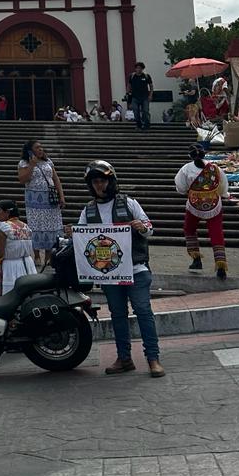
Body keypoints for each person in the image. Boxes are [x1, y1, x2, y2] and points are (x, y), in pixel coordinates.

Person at [77, 160, 164, 377]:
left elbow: (149, 228)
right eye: (95, 182)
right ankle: (124, 358)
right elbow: (80, 239)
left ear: (111, 181)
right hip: (110, 273)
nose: (99, 185)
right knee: (117, 314)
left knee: (143, 311)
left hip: (136, 269)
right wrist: (72, 235)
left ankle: (153, 358)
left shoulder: (129, 203)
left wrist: (141, 226)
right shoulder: (87, 211)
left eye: (102, 180)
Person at [175, 145, 229, 280]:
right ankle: (221, 265)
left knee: (189, 229)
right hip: (213, 205)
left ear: (190, 156)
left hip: (195, 205)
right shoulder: (215, 168)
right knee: (216, 233)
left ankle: (196, 259)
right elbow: (223, 188)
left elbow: (181, 188)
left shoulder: (186, 169)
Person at [18, 139, 66, 264]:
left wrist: (61, 196)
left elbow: (55, 179)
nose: (40, 149)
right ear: (30, 150)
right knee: (36, 226)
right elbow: (23, 179)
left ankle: (49, 256)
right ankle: (37, 256)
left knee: (51, 227)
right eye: (37, 147)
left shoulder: (48, 161)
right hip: (34, 200)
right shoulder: (24, 163)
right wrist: (32, 165)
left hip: (50, 199)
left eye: (41, 147)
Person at [0, 199, 36, 296]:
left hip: (10, 266)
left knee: (9, 295)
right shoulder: (26, 227)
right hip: (28, 264)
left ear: (7, 212)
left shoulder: (4, 226)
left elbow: (0, 252)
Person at [127, 62, 153, 130]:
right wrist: (128, 96)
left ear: (142, 69)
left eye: (140, 68)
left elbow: (151, 86)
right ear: (135, 69)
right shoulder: (132, 76)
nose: (139, 69)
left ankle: (146, 124)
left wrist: (150, 95)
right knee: (135, 111)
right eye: (137, 68)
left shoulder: (146, 76)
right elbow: (129, 86)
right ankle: (138, 125)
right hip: (135, 97)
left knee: (145, 111)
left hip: (145, 97)